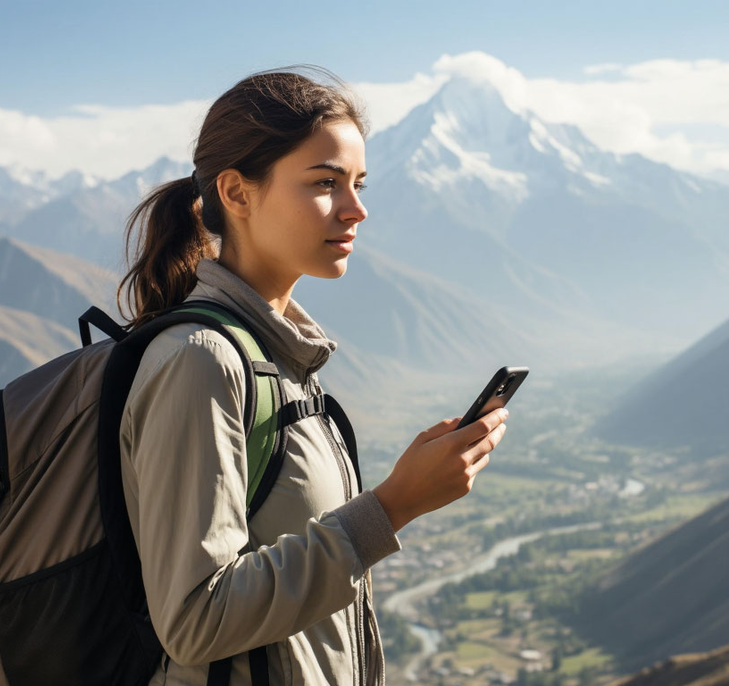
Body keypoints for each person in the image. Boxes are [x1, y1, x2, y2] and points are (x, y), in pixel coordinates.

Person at [115, 66, 510, 686]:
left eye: (358, 183)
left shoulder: (275, 354)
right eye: (326, 183)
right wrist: (393, 505)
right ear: (238, 194)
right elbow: (194, 619)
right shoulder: (201, 361)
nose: (357, 209)